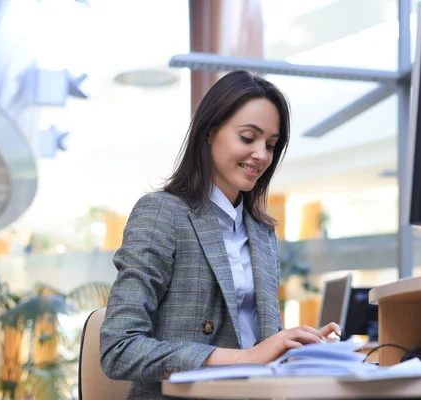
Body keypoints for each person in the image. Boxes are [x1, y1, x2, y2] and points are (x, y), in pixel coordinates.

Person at [100, 70, 341, 399]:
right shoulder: (162, 213)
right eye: (248, 137)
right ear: (210, 132)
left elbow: (256, 342)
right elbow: (119, 348)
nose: (262, 155)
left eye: (271, 145)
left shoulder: (261, 232)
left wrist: (298, 349)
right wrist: (244, 359)